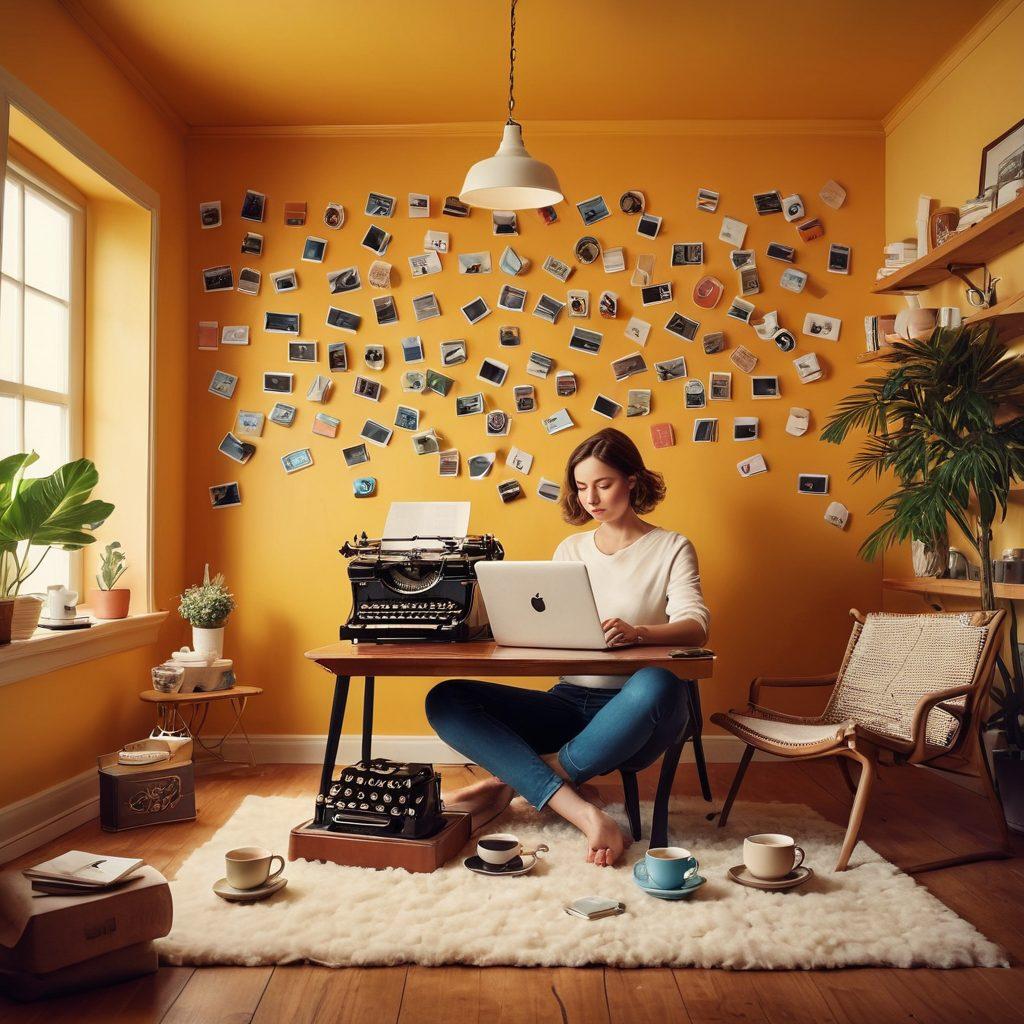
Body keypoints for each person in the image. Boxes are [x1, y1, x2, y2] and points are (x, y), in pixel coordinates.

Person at [425, 428, 709, 867]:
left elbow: (696, 627)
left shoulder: (671, 547)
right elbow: (551, 629)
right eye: (581, 487)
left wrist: (639, 633)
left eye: (603, 484)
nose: (591, 498)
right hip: (569, 702)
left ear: (632, 480)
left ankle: (510, 783)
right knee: (445, 698)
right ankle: (581, 810)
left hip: (635, 711)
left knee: (659, 683)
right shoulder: (571, 548)